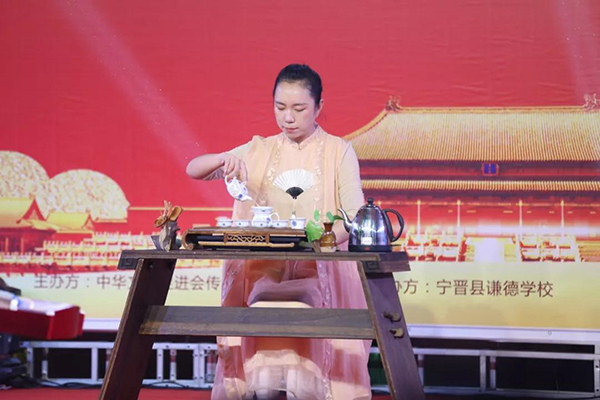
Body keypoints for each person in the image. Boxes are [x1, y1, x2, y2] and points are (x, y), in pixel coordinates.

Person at [186, 64, 371, 400]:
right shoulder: (259, 149)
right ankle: (265, 390)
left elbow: (355, 214)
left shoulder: (338, 151)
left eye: (299, 109)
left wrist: (322, 241)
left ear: (319, 107)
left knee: (301, 305)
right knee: (262, 305)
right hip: (265, 272)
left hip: (320, 271)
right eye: (280, 107)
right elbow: (193, 169)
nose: (288, 118)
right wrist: (223, 159)